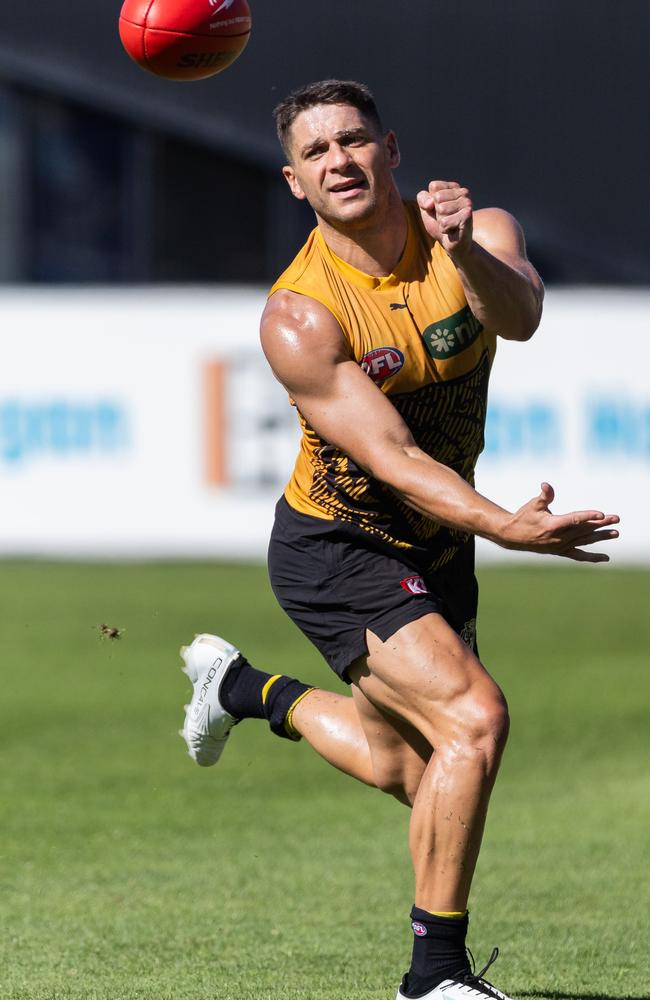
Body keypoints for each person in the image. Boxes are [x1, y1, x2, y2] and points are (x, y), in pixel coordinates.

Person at [180, 80, 619, 1000]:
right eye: (316, 153)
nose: (339, 160)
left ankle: (243, 689)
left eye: (353, 140)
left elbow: (522, 318)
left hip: (434, 544)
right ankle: (435, 979)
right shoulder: (300, 314)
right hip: (341, 542)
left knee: (411, 768)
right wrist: (504, 523)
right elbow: (396, 457)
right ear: (295, 182)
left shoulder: (474, 231)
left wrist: (464, 254)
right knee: (475, 721)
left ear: (390, 146)